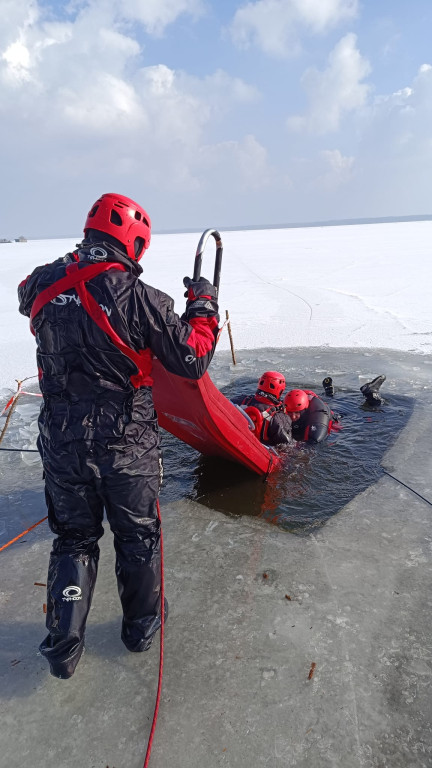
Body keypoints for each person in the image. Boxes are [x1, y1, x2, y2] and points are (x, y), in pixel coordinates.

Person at [18, 192, 219, 679]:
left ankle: (64, 642)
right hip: (126, 444)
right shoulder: (141, 299)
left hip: (62, 442)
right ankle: (142, 626)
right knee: (139, 537)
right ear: (134, 242)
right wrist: (203, 307)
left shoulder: (46, 282)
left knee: (73, 539)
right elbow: (191, 357)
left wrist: (74, 264)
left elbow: (26, 292)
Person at [231, 371, 293, 446]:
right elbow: (286, 445)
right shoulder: (279, 417)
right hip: (260, 450)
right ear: (280, 390)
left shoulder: (243, 400)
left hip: (237, 438)